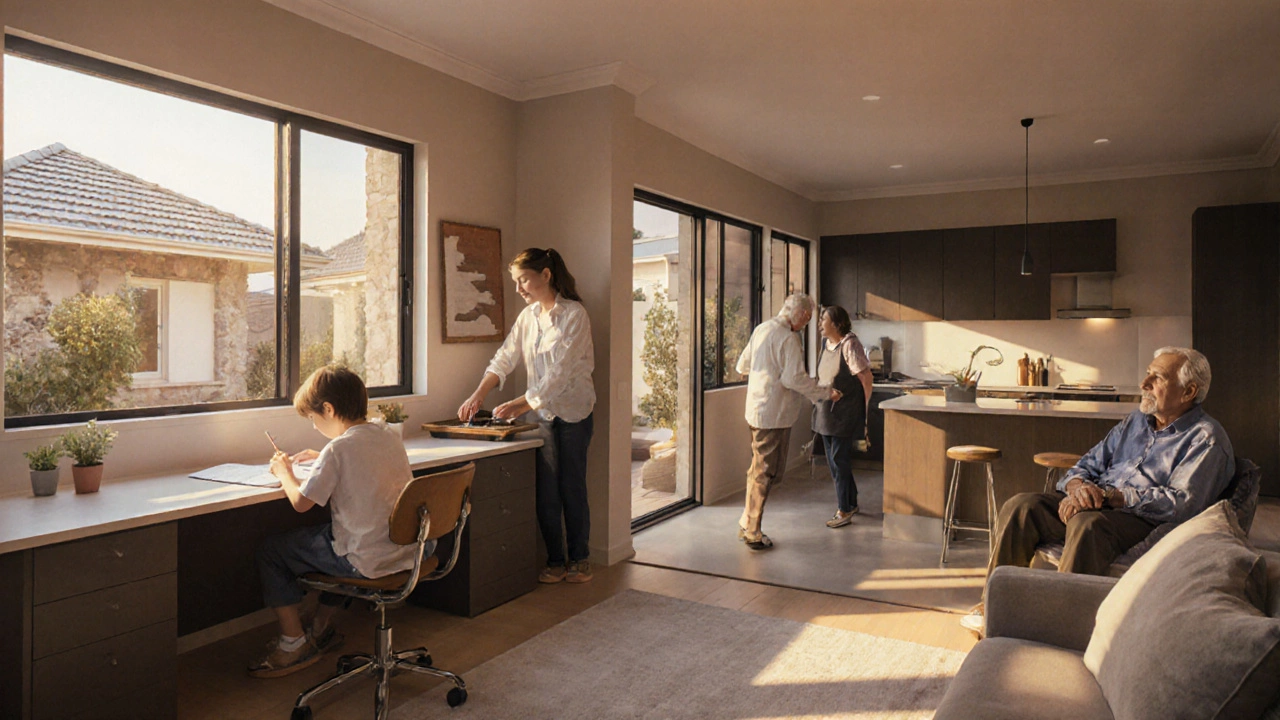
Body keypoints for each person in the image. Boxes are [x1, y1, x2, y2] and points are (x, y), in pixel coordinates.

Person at [961, 346, 1234, 636]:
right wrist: (1078, 489)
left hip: (1143, 519)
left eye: (1158, 378)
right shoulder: (1135, 422)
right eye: (1147, 375)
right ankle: (996, 606)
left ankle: (1058, 625)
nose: (1144, 385)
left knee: (1087, 523)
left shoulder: (1206, 439)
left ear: (1189, 391)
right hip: (1095, 500)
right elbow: (1087, 464)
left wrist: (1112, 497)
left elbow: (1183, 504)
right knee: (1022, 506)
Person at [250, 365, 420, 677]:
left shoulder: (338, 448)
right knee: (332, 538)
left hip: (365, 559)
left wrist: (283, 472)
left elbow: (301, 503)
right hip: (407, 549)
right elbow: (358, 457)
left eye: (313, 419)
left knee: (272, 550)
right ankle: (321, 626)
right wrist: (323, 456)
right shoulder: (386, 434)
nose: (314, 427)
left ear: (328, 409)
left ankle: (293, 643)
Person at [458, 248, 596, 584]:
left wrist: (522, 404)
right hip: (542, 414)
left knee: (571, 487)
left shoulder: (575, 315)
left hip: (575, 412)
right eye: (515, 282)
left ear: (545, 275)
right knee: (546, 490)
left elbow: (560, 373)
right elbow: (505, 356)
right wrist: (479, 393)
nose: (519, 288)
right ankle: (554, 560)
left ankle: (579, 558)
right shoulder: (527, 318)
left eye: (523, 280)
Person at [735, 293, 842, 550]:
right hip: (773, 415)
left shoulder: (762, 329)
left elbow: (742, 365)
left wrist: (765, 372)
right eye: (807, 321)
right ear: (802, 315)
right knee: (766, 472)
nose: (806, 326)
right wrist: (826, 393)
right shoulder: (789, 338)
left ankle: (746, 522)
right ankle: (753, 531)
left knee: (758, 468)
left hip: (756, 411)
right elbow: (793, 380)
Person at [813, 305, 873, 528]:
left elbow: (865, 378)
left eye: (824, 320)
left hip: (844, 413)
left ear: (836, 324)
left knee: (839, 461)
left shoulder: (850, 344)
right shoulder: (825, 344)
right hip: (826, 411)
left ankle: (844, 510)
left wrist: (863, 409)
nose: (820, 324)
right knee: (836, 462)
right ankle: (852, 502)